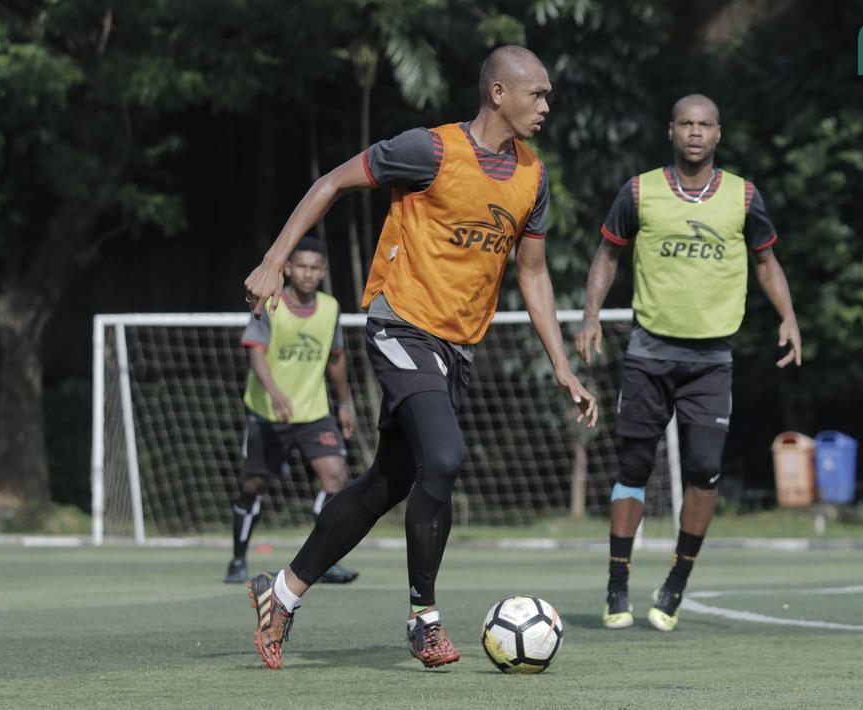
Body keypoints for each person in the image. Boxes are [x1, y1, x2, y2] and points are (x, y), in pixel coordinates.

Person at [242, 46, 597, 670]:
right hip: (400, 324)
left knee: (388, 482)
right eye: (537, 93)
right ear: (498, 94)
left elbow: (533, 274)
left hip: (456, 348)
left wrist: (563, 365)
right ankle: (423, 620)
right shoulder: (429, 150)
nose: (546, 105)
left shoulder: (533, 177)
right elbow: (330, 183)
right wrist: (274, 260)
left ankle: (283, 592)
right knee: (446, 457)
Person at [576, 94, 801, 632]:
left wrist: (789, 317)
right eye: (686, 123)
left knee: (705, 468)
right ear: (671, 131)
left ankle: (676, 582)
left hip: (711, 360)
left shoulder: (743, 196)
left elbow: (766, 262)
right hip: (649, 353)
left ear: (718, 133)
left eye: (704, 124)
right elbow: (608, 254)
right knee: (633, 467)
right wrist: (590, 315)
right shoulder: (639, 191)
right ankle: (617, 584)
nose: (695, 132)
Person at [225, 236, 358, 586]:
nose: (308, 274)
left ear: (323, 271)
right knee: (255, 484)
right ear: (287, 268)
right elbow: (255, 352)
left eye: (315, 268)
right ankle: (237, 559)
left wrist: (345, 404)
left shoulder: (330, 308)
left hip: (314, 412)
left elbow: (336, 358)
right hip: (269, 412)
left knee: (335, 477)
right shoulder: (270, 303)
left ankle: (323, 559)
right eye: (301, 266)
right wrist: (275, 393)